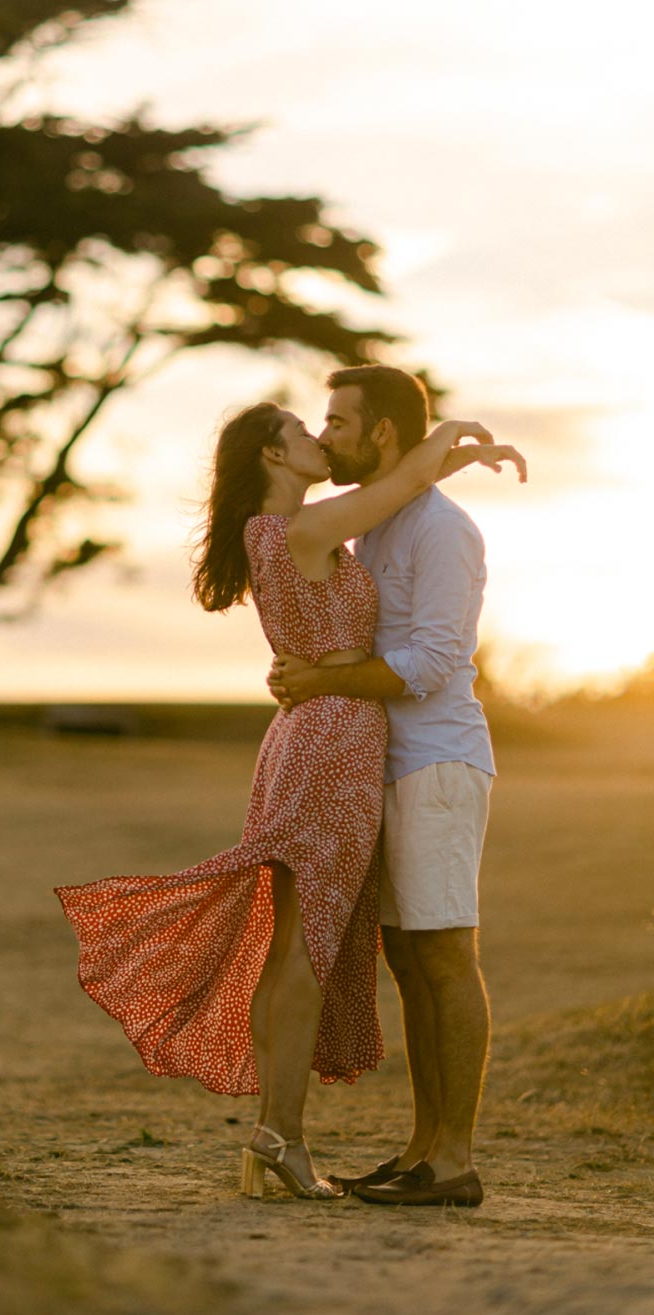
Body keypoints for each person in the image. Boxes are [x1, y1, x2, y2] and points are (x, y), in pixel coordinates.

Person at [54, 396, 523, 1203]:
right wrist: (449, 438)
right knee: (304, 947)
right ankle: (282, 1139)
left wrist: (440, 458)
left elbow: (400, 486)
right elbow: (399, 477)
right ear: (273, 457)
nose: (318, 434)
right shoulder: (301, 531)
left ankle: (286, 1138)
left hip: (324, 738)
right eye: (304, 431)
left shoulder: (304, 530)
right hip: (333, 742)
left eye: (331, 421)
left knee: (299, 944)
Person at [268, 365, 524, 1208]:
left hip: (439, 761)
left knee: (448, 953)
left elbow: (435, 661)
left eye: (339, 421)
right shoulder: (376, 524)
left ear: (381, 432)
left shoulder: (443, 531)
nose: (327, 433)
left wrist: (328, 676)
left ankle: (454, 1158)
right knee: (410, 958)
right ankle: (422, 1148)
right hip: (385, 758)